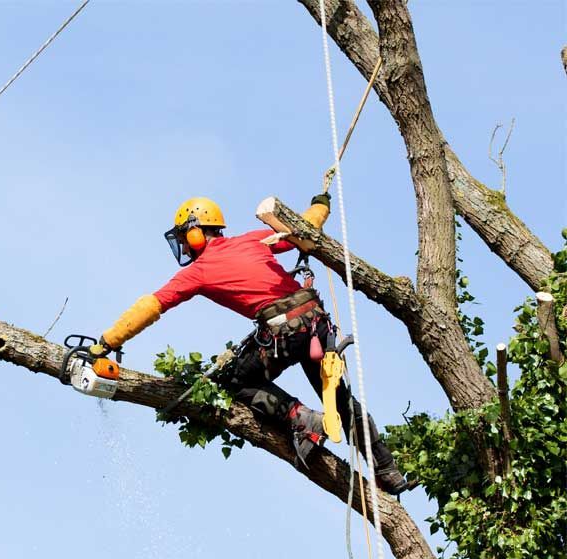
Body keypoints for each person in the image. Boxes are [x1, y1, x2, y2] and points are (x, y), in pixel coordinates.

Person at [91, 196, 409, 494]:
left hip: (285, 333)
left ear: (194, 233)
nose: (185, 249)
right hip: (316, 324)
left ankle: (301, 418)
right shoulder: (252, 240)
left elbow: (151, 305)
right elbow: (303, 227)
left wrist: (106, 342)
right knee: (340, 401)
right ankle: (387, 470)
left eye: (184, 239)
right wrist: (320, 206)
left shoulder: (198, 272)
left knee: (234, 382)